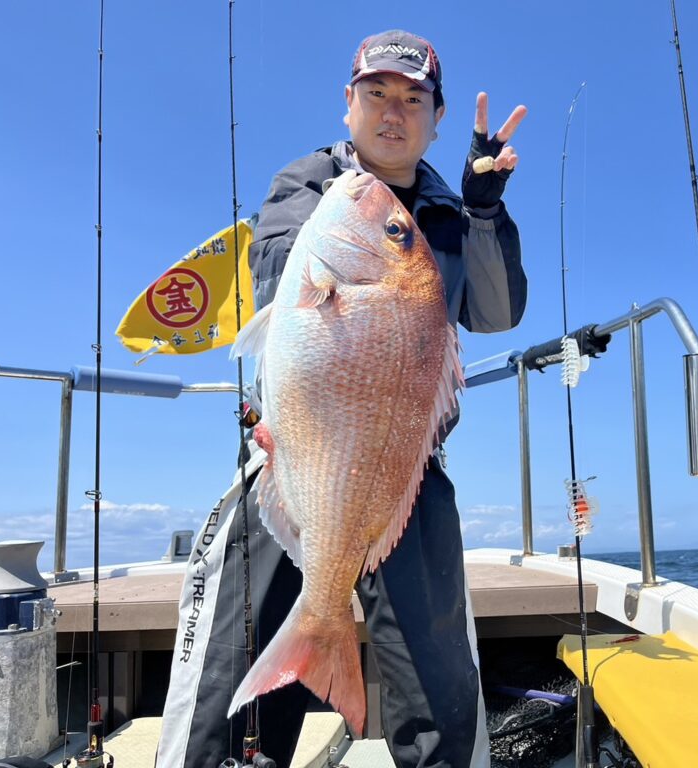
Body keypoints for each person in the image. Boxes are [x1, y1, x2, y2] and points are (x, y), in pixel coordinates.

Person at [156, 29, 527, 768]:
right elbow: (287, 280)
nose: (393, 111)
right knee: (227, 693)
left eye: (414, 99)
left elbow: (496, 312)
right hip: (293, 458)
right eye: (376, 93)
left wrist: (483, 211)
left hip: (402, 469)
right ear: (348, 104)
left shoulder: (452, 212)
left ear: (438, 118)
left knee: (443, 697)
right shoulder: (312, 184)